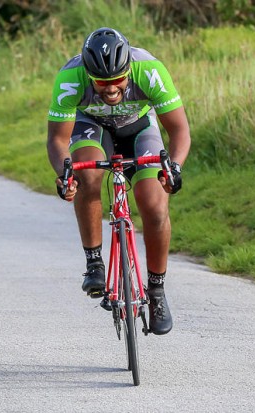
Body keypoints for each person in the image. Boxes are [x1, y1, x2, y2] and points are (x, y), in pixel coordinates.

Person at [46, 27, 191, 335]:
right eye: (101, 82)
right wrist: (65, 174)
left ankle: (157, 291)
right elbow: (57, 140)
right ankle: (94, 263)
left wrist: (174, 167)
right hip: (92, 127)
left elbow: (179, 130)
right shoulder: (71, 77)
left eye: (118, 80)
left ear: (129, 69)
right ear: (89, 75)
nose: (111, 89)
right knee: (87, 175)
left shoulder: (149, 69)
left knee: (154, 206)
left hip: (139, 128)